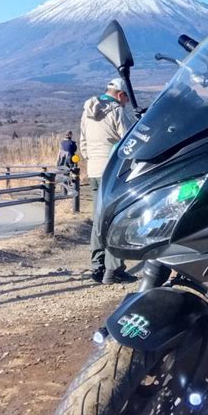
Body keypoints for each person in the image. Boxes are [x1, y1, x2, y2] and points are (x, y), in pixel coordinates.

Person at [80, 78, 136, 285]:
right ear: (120, 95)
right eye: (126, 99)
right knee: (116, 218)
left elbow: (83, 144)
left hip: (94, 169)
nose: (126, 103)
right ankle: (114, 269)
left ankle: (97, 265)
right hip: (112, 171)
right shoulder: (116, 111)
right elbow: (130, 141)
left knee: (99, 217)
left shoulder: (87, 110)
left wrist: (93, 161)